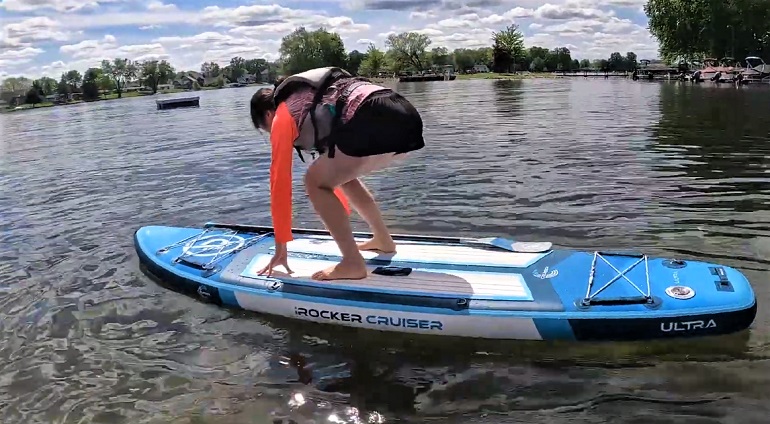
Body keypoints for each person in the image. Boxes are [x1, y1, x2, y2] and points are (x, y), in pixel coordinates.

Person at [249, 67, 425, 281]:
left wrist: (281, 248)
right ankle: (383, 239)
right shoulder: (313, 97)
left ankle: (352, 263)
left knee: (313, 182)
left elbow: (279, 184)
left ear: (268, 114)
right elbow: (334, 176)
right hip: (405, 114)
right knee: (343, 177)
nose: (271, 134)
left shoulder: (284, 114)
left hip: (374, 118)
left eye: (266, 130)